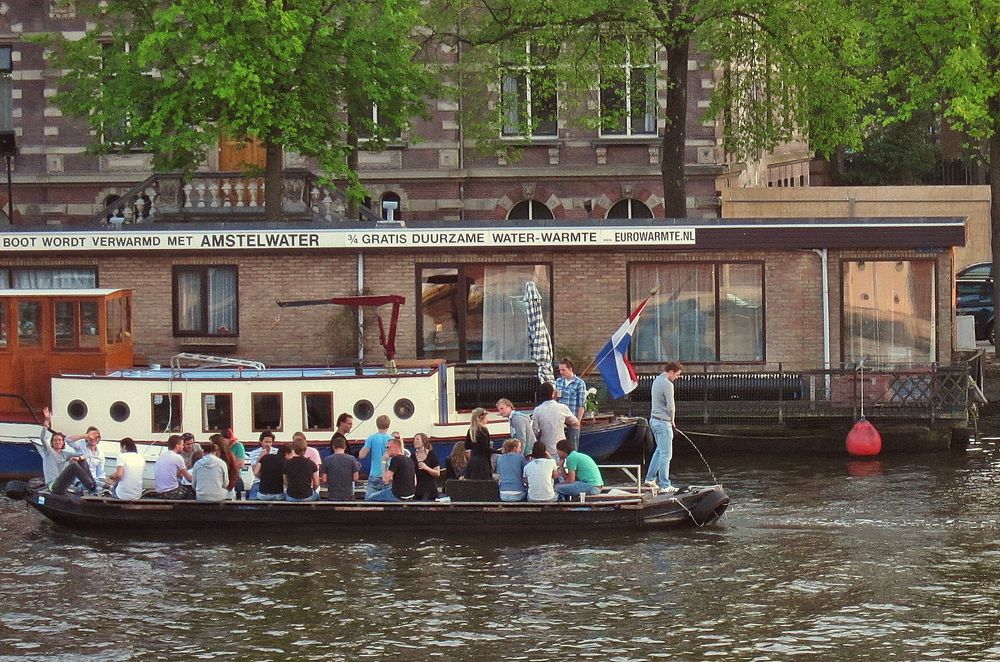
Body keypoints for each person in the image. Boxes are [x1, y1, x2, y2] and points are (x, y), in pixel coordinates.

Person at [38, 407, 98, 495]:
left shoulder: (65, 454)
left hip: (63, 485)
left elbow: (84, 454)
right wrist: (47, 421)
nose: (57, 442)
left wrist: (79, 457)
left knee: (81, 460)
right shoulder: (48, 452)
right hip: (53, 486)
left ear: (63, 443)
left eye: (59, 440)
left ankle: (93, 484)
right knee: (73, 465)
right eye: (55, 440)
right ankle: (91, 487)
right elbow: (42, 437)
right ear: (52, 442)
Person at [645, 361, 683, 494]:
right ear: (671, 372)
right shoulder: (668, 384)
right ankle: (665, 484)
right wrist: (672, 420)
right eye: (677, 374)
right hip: (663, 422)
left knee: (660, 451)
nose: (677, 377)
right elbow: (670, 406)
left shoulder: (656, 380)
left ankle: (650, 479)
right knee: (666, 454)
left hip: (653, 420)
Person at [531, 382, 579, 460]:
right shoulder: (562, 407)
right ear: (553, 393)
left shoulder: (537, 410)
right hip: (562, 448)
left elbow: (534, 431)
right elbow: (576, 423)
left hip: (546, 449)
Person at [365, 437, 416, 502]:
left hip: (397, 495)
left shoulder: (396, 459)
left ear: (395, 447)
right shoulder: (409, 460)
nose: (386, 450)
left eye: (388, 447)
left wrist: (384, 461)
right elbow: (414, 481)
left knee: (370, 498)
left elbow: (385, 479)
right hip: (410, 495)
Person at [555, 358, 586, 449]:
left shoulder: (579, 383)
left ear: (570, 369)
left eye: (563, 370)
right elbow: (556, 400)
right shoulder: (559, 381)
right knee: (560, 445)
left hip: (572, 418)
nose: (561, 372)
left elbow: (581, 404)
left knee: (573, 446)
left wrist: (578, 421)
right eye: (560, 370)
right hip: (560, 419)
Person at [359, 414, 392, 498]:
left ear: (377, 424)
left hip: (374, 474)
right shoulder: (391, 439)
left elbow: (361, 455)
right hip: (388, 475)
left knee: (369, 502)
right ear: (388, 425)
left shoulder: (371, 438)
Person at [321, 435, 361, 500]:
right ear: (345, 447)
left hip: (332, 496)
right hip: (348, 495)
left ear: (333, 447)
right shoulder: (352, 459)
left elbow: (324, 479)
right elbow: (356, 478)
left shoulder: (327, 460)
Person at [67, 426, 106, 490]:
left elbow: (100, 473)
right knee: (86, 488)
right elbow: (68, 440)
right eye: (91, 437)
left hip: (95, 481)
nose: (93, 439)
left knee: (103, 489)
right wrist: (85, 435)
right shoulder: (80, 445)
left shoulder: (101, 453)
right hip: (81, 481)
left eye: (96, 437)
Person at [284, 435, 320, 501]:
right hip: (307, 496)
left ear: (293, 449)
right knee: (317, 495)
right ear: (305, 449)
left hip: (291, 497)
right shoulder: (311, 464)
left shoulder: (287, 463)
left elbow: (285, 481)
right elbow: (316, 484)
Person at [463, 407, 496, 480]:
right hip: (482, 462)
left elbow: (467, 446)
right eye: (487, 417)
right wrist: (498, 451)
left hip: (473, 462)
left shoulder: (471, 430)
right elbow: (486, 448)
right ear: (481, 418)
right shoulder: (484, 430)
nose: (488, 419)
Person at [252, 437, 287, 501]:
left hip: (262, 495)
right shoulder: (284, 462)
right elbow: (285, 481)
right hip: (278, 495)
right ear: (286, 454)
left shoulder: (264, 458)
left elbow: (255, 472)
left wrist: (263, 477)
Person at [411, 432, 441, 501]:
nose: (415, 441)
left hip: (429, 488)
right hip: (417, 489)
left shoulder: (431, 454)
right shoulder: (412, 456)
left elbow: (437, 473)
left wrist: (426, 468)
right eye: (414, 439)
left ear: (423, 441)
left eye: (417, 439)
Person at [212, 433, 242, 499]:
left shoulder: (229, 456)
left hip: (227, 488)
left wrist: (229, 487)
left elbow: (234, 471)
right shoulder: (210, 457)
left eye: (212, 443)